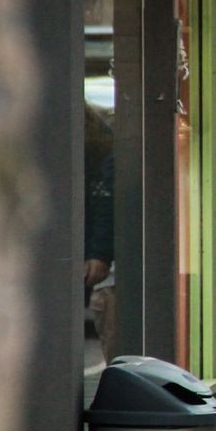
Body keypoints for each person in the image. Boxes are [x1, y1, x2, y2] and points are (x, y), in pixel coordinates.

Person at [83, 102, 116, 363]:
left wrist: (98, 253)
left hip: (106, 272)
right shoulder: (103, 148)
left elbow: (106, 205)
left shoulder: (103, 155)